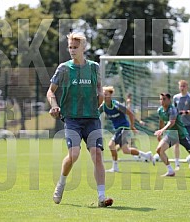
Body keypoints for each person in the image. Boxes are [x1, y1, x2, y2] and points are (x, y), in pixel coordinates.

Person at [46, 32, 113, 207]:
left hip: (92, 118)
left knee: (97, 155)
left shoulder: (94, 67)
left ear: (83, 48)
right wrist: (54, 105)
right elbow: (51, 91)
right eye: (70, 47)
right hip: (72, 119)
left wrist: (99, 95)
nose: (72, 50)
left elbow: (99, 88)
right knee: (74, 155)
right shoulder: (64, 68)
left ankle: (101, 197)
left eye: (75, 47)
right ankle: (61, 184)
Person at [99, 86, 154, 172]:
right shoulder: (103, 106)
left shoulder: (116, 105)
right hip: (118, 129)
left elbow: (130, 114)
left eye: (106, 94)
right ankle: (147, 155)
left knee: (111, 145)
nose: (104, 96)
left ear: (110, 95)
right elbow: (95, 114)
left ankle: (115, 167)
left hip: (124, 128)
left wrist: (132, 126)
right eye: (103, 94)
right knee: (126, 150)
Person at [173, 80, 190, 171]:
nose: (182, 88)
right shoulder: (175, 97)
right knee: (176, 143)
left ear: (187, 87)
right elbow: (173, 109)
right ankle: (177, 164)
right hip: (179, 125)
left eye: (184, 86)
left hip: (189, 124)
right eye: (181, 86)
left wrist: (186, 112)